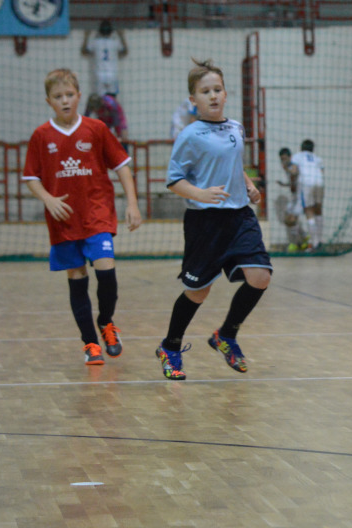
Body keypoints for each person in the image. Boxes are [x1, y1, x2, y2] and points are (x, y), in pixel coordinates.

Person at [155, 59, 272, 380]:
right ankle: (171, 345)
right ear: (193, 101)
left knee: (260, 276)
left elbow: (235, 165)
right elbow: (174, 179)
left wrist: (248, 185)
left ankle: (227, 335)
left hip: (239, 217)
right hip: (204, 223)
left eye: (217, 89)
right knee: (198, 292)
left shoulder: (236, 127)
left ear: (225, 93)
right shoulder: (190, 136)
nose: (213, 96)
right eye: (205, 91)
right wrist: (200, 193)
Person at [22, 68, 142, 365]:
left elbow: (123, 166)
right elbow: (30, 178)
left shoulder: (97, 128)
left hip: (97, 214)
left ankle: (107, 322)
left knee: (106, 271)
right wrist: (48, 199)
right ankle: (90, 343)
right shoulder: (41, 136)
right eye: (58, 96)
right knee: (77, 278)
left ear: (78, 96)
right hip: (63, 221)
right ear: (49, 101)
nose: (65, 101)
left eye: (70, 95)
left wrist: (133, 204)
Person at [284, 139, 325, 251]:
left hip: (306, 182)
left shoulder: (297, 156)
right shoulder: (318, 158)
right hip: (320, 181)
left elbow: (294, 171)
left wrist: (289, 169)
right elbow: (322, 172)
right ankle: (320, 240)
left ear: (301, 148)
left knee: (308, 211)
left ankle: (314, 243)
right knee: (318, 210)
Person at [81, 19, 128, 97]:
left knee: (101, 100)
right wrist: (122, 36)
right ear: (111, 31)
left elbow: (84, 52)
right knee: (112, 99)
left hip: (99, 75)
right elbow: (125, 52)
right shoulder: (115, 42)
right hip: (112, 74)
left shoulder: (95, 42)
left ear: (99, 31)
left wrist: (86, 36)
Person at [277, 146, 307, 251]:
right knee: (287, 220)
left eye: (285, 158)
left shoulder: (293, 164)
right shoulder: (287, 166)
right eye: (282, 159)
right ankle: (304, 237)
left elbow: (294, 172)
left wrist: (287, 169)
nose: (283, 161)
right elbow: (293, 182)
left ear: (290, 157)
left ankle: (294, 244)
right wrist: (284, 184)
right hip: (294, 197)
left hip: (300, 197)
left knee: (291, 218)